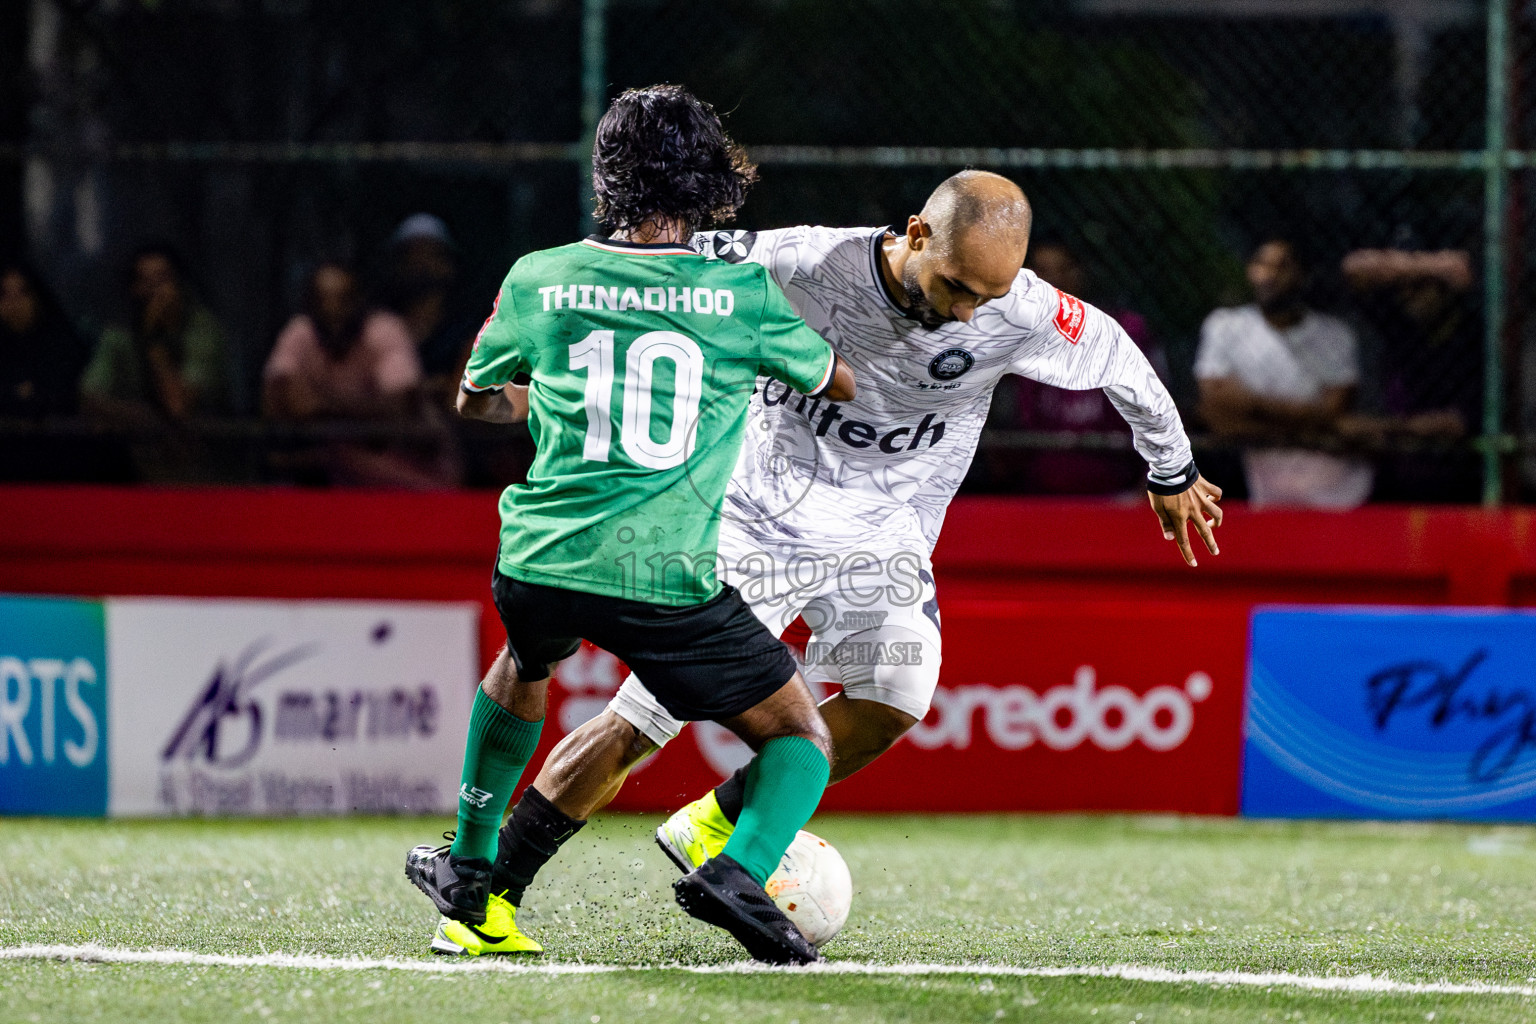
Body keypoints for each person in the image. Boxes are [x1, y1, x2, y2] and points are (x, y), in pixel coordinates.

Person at [432, 168, 1222, 957]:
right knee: (642, 723)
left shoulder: (1020, 309)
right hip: (753, 521)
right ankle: (490, 891)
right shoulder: (803, 261)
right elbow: (664, 262)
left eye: (986, 296)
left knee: (896, 697)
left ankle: (715, 826)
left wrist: (1172, 470)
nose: (965, 312)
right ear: (917, 233)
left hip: (885, 539)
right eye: (955, 286)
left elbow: (1120, 360)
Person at [403, 84, 855, 966]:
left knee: (525, 660)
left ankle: (470, 869)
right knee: (801, 736)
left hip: (538, 559)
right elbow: (836, 382)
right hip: (662, 576)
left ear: (606, 177)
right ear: (710, 181)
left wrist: (558, 397)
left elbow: (474, 400)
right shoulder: (741, 292)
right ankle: (737, 873)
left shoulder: (539, 275)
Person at [1194, 237, 1372, 509]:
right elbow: (1215, 405)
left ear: (1302, 276)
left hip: (1332, 486)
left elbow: (1334, 411)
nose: (1270, 275)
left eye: (1282, 266)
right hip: (1254, 483)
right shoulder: (1224, 326)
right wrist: (1308, 418)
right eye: (1262, 264)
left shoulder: (1335, 335)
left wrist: (1249, 409)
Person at [262, 261, 458, 489]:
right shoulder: (299, 331)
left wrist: (323, 408)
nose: (332, 309)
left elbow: (400, 407)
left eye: (342, 299)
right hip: (336, 469)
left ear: (360, 301)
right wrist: (360, 413)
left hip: (411, 466)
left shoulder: (385, 330)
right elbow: (279, 399)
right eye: (322, 300)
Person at [999, 238, 1168, 494]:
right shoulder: (1015, 337)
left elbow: (1157, 414)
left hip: (1117, 490)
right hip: (1038, 493)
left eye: (1063, 268)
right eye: (1043, 271)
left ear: (1082, 271)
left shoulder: (1124, 330)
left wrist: (1146, 489)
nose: (1054, 279)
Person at [79, 244, 229, 481]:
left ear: (179, 284)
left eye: (163, 279)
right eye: (145, 281)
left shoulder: (202, 330)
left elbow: (178, 407)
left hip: (205, 470)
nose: (155, 290)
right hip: (139, 467)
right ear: (133, 288)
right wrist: (145, 419)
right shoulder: (120, 334)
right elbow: (89, 397)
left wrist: (153, 342)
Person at [0, 258, 93, 480]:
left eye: (23, 293)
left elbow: (63, 398)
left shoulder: (62, 342)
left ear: (37, 297)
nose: (14, 303)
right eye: (4, 294)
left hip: (60, 461)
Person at [382, 214, 482, 402]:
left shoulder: (466, 332)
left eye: (430, 254)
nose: (421, 263)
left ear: (449, 265)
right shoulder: (378, 328)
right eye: (411, 255)